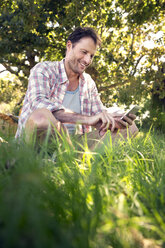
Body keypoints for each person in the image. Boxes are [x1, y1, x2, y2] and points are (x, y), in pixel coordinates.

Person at [15, 27, 138, 150]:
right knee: (41, 117)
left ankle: (77, 161)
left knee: (130, 128)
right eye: (84, 52)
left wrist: (114, 119)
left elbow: (98, 114)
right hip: (42, 141)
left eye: (91, 56)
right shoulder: (43, 70)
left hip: (76, 143)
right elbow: (39, 105)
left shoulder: (88, 83)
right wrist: (87, 120)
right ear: (69, 46)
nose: (87, 60)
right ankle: (70, 159)